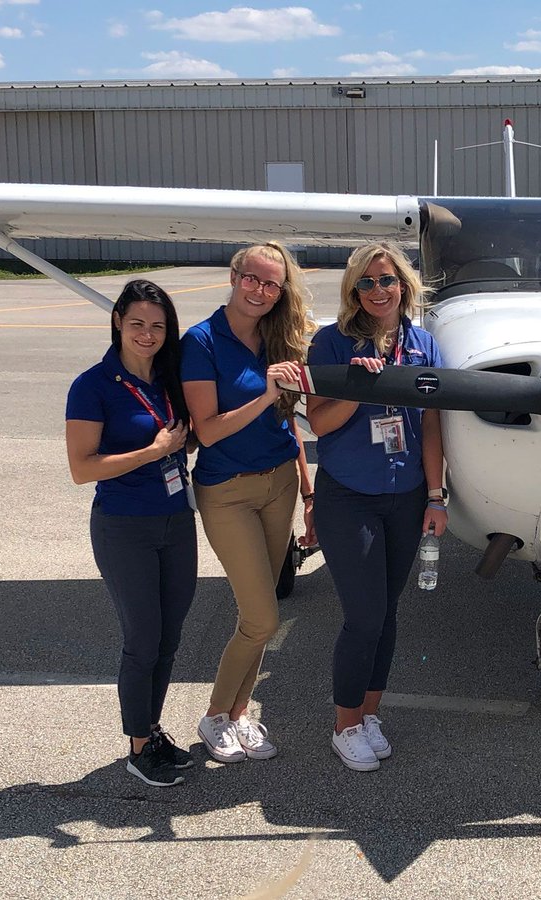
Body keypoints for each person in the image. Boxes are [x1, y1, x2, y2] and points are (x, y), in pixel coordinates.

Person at [306, 241, 448, 772]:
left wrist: (436, 496)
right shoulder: (332, 343)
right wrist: (360, 388)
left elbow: (433, 423)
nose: (378, 291)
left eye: (387, 280)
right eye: (366, 283)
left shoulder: (424, 346)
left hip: (406, 496)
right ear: (353, 291)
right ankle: (344, 725)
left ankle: (368, 715)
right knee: (363, 615)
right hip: (349, 494)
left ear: (404, 286)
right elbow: (319, 422)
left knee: (387, 615)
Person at [181, 241, 315, 764]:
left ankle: (238, 716)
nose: (260, 291)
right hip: (227, 491)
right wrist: (264, 392)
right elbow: (208, 432)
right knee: (260, 616)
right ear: (233, 277)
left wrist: (308, 491)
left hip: (279, 480)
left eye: (271, 284)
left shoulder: (278, 337)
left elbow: (291, 423)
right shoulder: (201, 342)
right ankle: (216, 715)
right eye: (251, 279)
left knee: (264, 612)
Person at [65, 279, 197, 788]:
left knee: (169, 637)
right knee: (143, 638)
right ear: (118, 320)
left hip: (175, 521)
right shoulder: (93, 385)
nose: (148, 334)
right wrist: (154, 450)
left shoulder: (168, 380)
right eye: (138, 323)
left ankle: (153, 728)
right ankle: (138, 747)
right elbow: (82, 468)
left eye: (158, 326)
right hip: (124, 526)